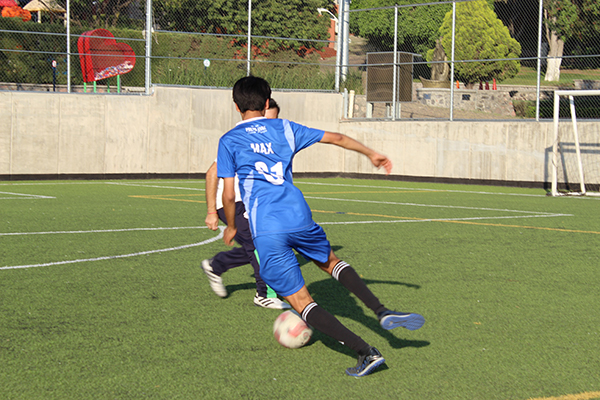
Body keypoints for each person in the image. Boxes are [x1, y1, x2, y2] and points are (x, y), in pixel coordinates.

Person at [217, 76, 425, 378]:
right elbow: (337, 138)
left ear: (236, 106)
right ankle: (381, 310)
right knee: (330, 261)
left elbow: (227, 191)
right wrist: (371, 154)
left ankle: (366, 353)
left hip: (268, 226)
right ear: (266, 103)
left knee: (301, 301)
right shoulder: (286, 128)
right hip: (298, 214)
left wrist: (232, 226)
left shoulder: (229, 140)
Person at [202, 99, 290, 310]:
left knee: (268, 244)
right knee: (258, 244)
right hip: (232, 203)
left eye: (274, 119)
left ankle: (216, 265)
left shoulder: (269, 143)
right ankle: (264, 294)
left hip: (255, 203)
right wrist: (212, 211)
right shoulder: (241, 140)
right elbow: (212, 173)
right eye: (267, 118)